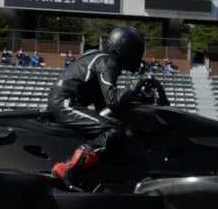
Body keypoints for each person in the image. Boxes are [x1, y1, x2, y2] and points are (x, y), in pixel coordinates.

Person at [47, 25, 169, 191]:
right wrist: (136, 85)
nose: (138, 57)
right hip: (65, 103)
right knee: (112, 130)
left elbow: (104, 105)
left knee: (116, 127)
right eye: (136, 51)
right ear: (125, 48)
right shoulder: (107, 61)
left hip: (67, 102)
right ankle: (68, 170)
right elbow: (112, 101)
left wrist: (134, 97)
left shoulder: (102, 59)